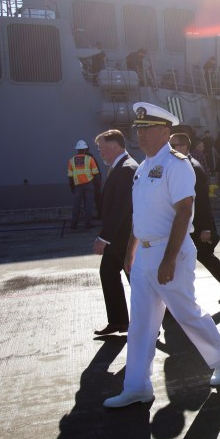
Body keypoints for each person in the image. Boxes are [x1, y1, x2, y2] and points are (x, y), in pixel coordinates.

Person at [103, 102, 220, 408]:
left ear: (165, 131)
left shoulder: (178, 165)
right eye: (138, 129)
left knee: (185, 312)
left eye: (147, 129)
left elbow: (185, 210)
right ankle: (137, 385)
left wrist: (168, 259)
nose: (141, 135)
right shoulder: (143, 168)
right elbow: (141, 217)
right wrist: (130, 253)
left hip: (170, 252)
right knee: (141, 322)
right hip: (144, 256)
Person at [169, 131, 220, 304]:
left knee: (200, 256)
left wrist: (206, 228)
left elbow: (202, 200)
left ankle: (180, 302)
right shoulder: (184, 165)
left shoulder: (192, 167)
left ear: (185, 147)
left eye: (173, 146)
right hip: (192, 223)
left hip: (197, 224)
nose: (170, 149)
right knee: (203, 256)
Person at [92, 129, 138, 335]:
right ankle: (119, 322)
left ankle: (148, 324)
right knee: (108, 274)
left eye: (101, 148)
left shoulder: (126, 169)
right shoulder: (118, 167)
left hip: (124, 239)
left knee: (137, 283)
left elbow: (121, 208)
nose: (100, 152)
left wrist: (104, 237)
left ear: (114, 146)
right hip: (118, 239)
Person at [67, 140, 101, 230]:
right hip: (89, 185)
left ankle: (73, 224)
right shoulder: (90, 159)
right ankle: (87, 224)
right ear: (85, 149)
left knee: (76, 205)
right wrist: (98, 186)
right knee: (88, 205)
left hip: (77, 186)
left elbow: (70, 176)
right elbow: (96, 174)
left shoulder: (71, 160)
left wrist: (72, 187)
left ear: (77, 150)